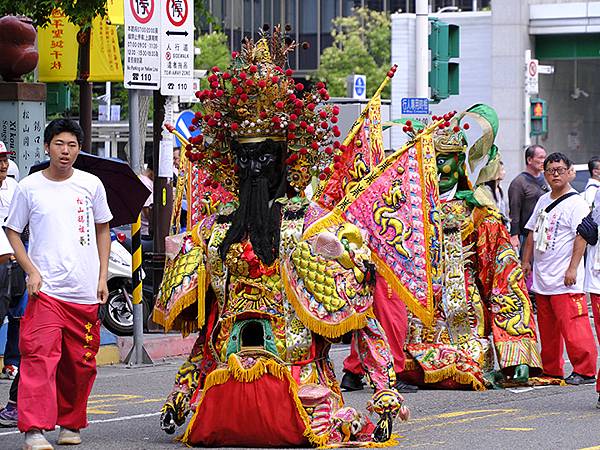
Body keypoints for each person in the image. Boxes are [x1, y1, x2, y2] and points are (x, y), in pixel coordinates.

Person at [153, 28, 408, 447]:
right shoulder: (217, 227)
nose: (255, 167)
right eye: (245, 156)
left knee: (311, 422)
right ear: (231, 160)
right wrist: (182, 394)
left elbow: (365, 317)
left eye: (266, 156)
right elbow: (210, 323)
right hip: (225, 386)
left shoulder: (314, 224)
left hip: (301, 385)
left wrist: (383, 395)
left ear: (288, 161)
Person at [398, 104, 542, 390]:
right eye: (429, 161)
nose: (435, 169)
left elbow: (504, 277)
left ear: (458, 162)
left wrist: (516, 350)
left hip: (464, 315)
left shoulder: (478, 212)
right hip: (415, 315)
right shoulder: (404, 209)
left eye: (442, 160)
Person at [5, 118, 112, 450]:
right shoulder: (29, 187)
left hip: (84, 291)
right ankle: (34, 430)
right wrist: (31, 270)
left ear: (79, 149)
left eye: (72, 145)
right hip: (46, 291)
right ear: (47, 146)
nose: (65, 152)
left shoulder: (91, 185)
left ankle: (70, 423)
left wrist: (102, 275)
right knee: (38, 357)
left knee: (80, 364)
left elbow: (103, 229)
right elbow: (12, 231)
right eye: (59, 144)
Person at [522, 152, 597, 386]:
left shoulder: (577, 203)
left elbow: (582, 236)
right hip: (543, 278)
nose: (555, 174)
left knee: (574, 325)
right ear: (544, 174)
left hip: (566, 279)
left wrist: (573, 268)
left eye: (560, 170)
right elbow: (532, 232)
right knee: (548, 328)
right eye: (551, 170)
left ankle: (584, 370)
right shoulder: (543, 200)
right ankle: (552, 368)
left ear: (569, 172)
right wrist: (526, 262)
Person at [508, 144, 549, 251]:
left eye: (545, 157)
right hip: (526, 236)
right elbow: (514, 211)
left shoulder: (546, 179)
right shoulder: (519, 183)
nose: (544, 161)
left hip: (544, 234)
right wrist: (514, 235)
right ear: (529, 160)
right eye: (540, 157)